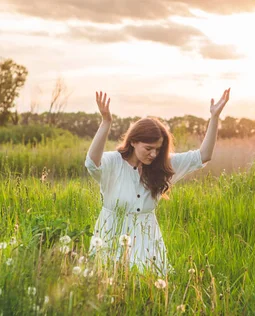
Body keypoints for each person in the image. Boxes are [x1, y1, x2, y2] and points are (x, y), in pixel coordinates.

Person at [84, 88, 231, 276]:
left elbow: (204, 156)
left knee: (147, 288)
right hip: (112, 234)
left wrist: (214, 117)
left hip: (146, 239)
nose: (153, 154)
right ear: (133, 142)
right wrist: (106, 122)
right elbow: (92, 163)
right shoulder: (113, 163)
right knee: (109, 283)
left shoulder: (162, 165)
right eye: (148, 148)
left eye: (158, 149)